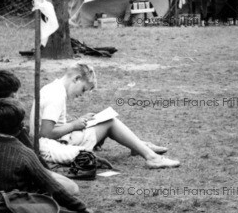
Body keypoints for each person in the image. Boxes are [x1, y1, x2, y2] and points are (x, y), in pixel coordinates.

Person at [30, 63, 180, 169]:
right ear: (76, 79)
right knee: (110, 122)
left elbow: (49, 126)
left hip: (53, 141)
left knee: (101, 119)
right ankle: (151, 157)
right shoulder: (56, 96)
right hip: (51, 146)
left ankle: (139, 145)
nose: (80, 95)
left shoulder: (53, 88)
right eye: (82, 89)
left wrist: (77, 123)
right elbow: (46, 133)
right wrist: (74, 125)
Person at [0, 70, 80, 195]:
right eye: (16, 93)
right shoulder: (11, 118)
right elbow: (32, 156)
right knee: (72, 188)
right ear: (12, 96)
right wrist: (47, 174)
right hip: (10, 179)